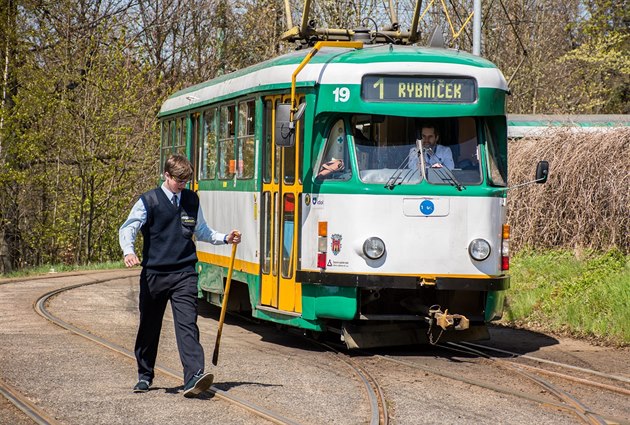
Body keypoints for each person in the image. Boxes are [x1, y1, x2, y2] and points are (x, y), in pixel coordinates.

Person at [119, 154, 241, 398]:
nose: (182, 185)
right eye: (179, 181)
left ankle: (193, 377)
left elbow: (202, 230)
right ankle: (144, 374)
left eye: (186, 181)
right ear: (166, 176)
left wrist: (224, 238)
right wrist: (129, 251)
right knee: (149, 327)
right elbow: (129, 227)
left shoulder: (191, 199)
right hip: (155, 274)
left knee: (187, 325)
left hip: (184, 273)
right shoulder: (149, 201)